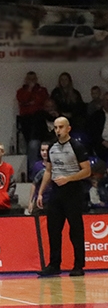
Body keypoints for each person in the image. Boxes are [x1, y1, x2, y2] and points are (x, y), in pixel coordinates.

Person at [37, 117, 91, 277]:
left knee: (75, 230)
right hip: (56, 192)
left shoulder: (77, 146)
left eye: (61, 127)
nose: (58, 130)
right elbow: (48, 170)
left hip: (73, 191)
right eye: (55, 127)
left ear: (68, 128)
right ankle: (54, 265)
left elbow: (87, 171)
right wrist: (40, 192)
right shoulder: (52, 147)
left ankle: (78, 265)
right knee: (53, 229)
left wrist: (68, 178)